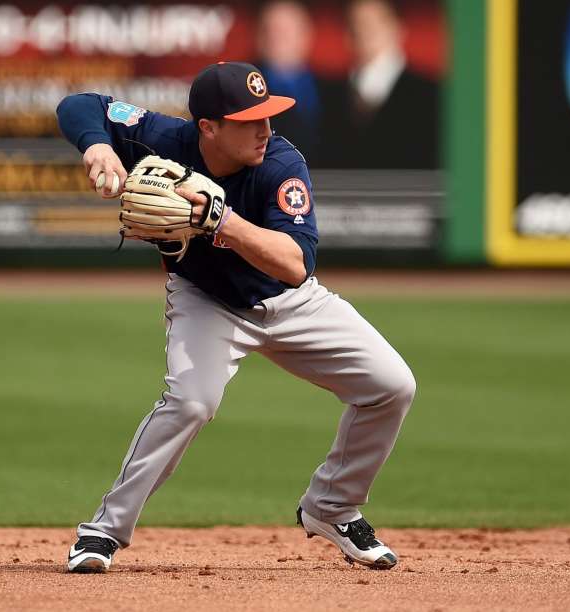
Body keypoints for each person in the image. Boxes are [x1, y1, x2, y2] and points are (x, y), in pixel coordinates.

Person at [55, 61, 415, 573]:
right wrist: (98, 145)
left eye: (268, 116)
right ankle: (103, 532)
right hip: (207, 300)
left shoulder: (281, 165)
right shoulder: (162, 137)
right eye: (251, 120)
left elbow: (295, 265)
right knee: (191, 402)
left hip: (292, 303)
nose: (266, 129)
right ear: (209, 128)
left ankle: (333, 506)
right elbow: (79, 105)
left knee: (392, 385)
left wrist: (221, 220)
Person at [321, 0, 439, 169]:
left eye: (373, 24)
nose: (362, 31)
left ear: (398, 29)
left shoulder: (431, 94)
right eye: (355, 23)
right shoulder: (329, 94)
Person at [255, 0, 323, 161]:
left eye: (286, 30)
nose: (277, 38)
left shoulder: (335, 89)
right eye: (270, 30)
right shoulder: (240, 89)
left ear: (306, 34)